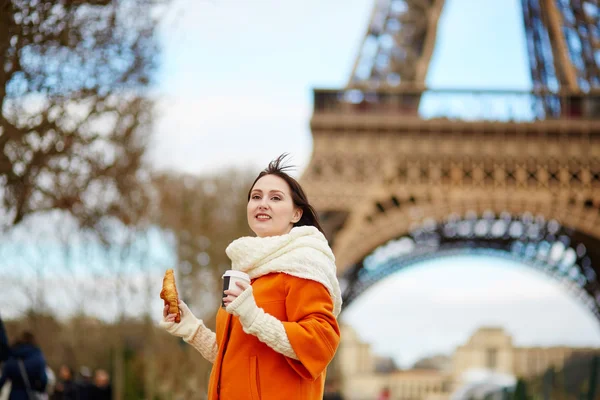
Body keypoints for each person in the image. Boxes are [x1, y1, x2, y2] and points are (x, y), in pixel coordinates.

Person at [160, 154, 342, 400]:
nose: (262, 203)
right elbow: (236, 357)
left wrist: (253, 315)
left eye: (275, 198)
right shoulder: (247, 272)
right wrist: (191, 328)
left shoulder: (303, 267)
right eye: (256, 197)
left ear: (296, 214)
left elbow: (320, 345)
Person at [0, 331, 48, 400]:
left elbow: (3, 379)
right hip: (31, 394)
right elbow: (43, 380)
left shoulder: (12, 356)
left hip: (15, 396)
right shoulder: (38, 356)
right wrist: (39, 389)